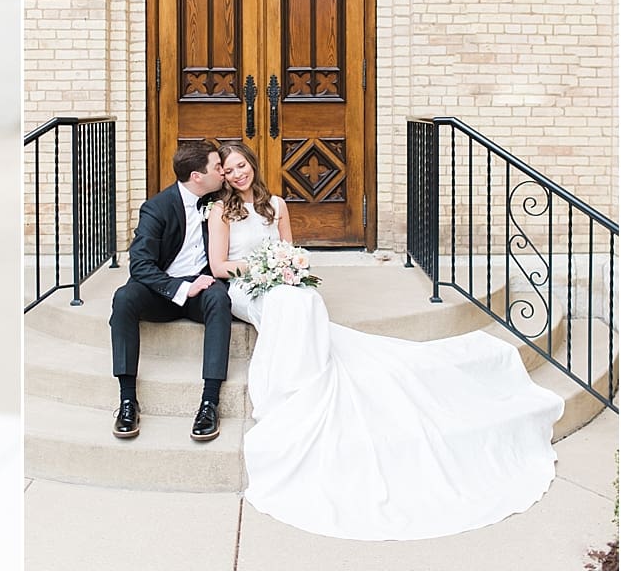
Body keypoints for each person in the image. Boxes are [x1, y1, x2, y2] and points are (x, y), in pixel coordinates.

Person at [206, 142, 565, 540]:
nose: (239, 174)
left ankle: (312, 372)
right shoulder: (221, 211)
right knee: (287, 306)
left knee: (305, 298)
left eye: (242, 165)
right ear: (221, 175)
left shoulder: (276, 203)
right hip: (246, 288)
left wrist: (289, 265)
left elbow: (290, 250)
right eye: (230, 170)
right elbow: (219, 265)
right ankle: (293, 387)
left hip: (281, 280)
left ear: (252, 164)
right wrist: (263, 269)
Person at [109, 139, 233, 441]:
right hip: (164, 290)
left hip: (203, 288)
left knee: (219, 298)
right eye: (218, 167)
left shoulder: (221, 200)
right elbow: (139, 265)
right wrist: (180, 288)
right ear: (197, 176)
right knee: (124, 298)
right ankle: (128, 400)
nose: (224, 172)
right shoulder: (157, 208)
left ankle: (209, 402)